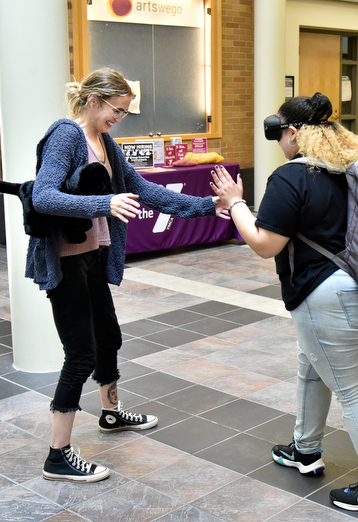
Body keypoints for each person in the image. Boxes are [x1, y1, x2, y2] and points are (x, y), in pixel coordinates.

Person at [29, 68, 229, 483]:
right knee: (80, 354)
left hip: (93, 258)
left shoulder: (104, 141)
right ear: (93, 102)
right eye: (116, 110)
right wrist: (105, 201)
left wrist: (209, 205)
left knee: (109, 339)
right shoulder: (66, 135)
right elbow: (45, 195)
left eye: (124, 112)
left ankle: (110, 413)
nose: (119, 118)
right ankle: (57, 455)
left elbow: (143, 190)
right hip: (65, 261)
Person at [210, 93, 358, 512]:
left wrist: (235, 203)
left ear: (295, 133)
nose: (279, 141)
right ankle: (305, 448)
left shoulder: (291, 177)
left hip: (325, 297)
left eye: (280, 132)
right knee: (312, 367)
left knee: (352, 391)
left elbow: (265, 243)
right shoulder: (353, 169)